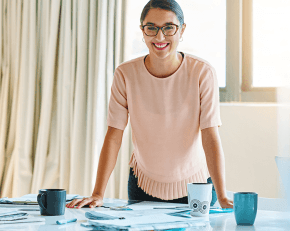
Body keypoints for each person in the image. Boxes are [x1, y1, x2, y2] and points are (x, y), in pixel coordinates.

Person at [66, 0, 233, 209]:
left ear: (182, 30)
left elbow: (210, 135)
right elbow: (114, 135)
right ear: (142, 31)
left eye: (169, 28)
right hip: (142, 185)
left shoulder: (202, 73)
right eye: (151, 28)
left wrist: (223, 195)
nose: (159, 36)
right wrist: (98, 193)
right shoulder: (125, 74)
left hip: (197, 186)